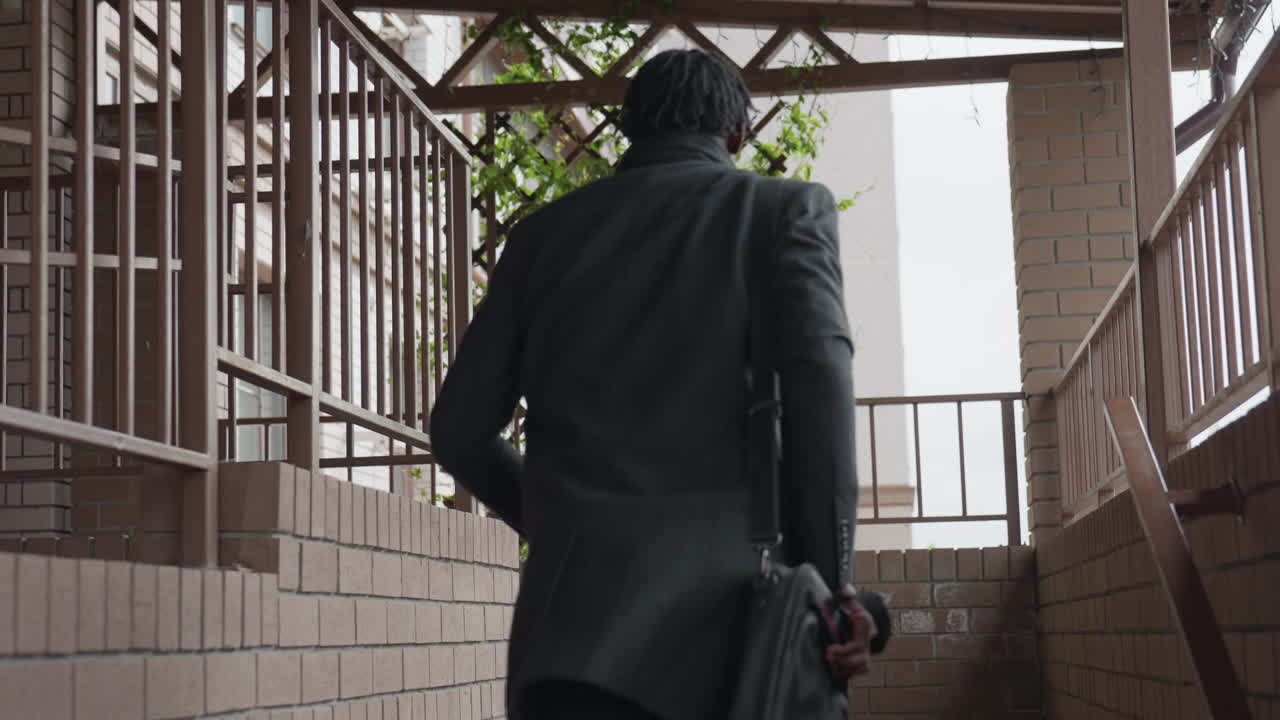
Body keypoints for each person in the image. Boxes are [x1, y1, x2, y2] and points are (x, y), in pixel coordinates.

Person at [430, 48, 871, 720]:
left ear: (630, 129)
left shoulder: (540, 239)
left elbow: (459, 430)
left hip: (565, 645)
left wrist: (563, 524)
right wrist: (833, 587)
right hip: (729, 642)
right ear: (735, 134)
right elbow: (822, 388)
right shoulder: (781, 212)